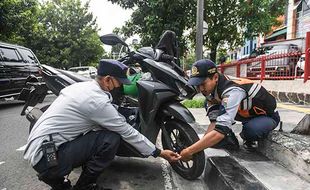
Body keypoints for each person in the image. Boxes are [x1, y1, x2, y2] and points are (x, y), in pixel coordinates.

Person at [23, 59, 181, 190]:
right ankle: (83, 186)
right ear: (107, 79)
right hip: (47, 159)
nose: (120, 86)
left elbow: (107, 110)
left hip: (42, 148)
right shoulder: (96, 101)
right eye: (118, 82)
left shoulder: (82, 87)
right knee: (110, 138)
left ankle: (59, 179)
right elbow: (127, 131)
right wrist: (159, 152)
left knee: (98, 133)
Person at [180, 59, 280, 161]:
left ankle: (246, 136)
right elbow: (214, 124)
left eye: (203, 84)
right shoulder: (212, 90)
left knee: (251, 130)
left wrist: (190, 151)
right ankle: (228, 137)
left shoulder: (232, 92)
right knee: (211, 107)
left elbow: (218, 132)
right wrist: (200, 145)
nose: (200, 89)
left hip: (266, 116)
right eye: (197, 85)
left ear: (215, 77)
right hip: (244, 113)